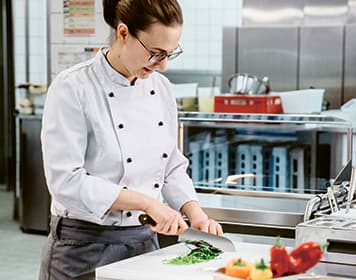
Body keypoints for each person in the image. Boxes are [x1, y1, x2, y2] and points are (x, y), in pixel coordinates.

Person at [39, 0, 223, 279]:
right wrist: (148, 204)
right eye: (155, 53)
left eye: (170, 54)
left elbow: (171, 166)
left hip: (144, 247)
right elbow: (66, 181)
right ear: (123, 33)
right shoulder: (73, 87)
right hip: (83, 249)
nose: (163, 66)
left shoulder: (161, 89)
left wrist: (194, 212)